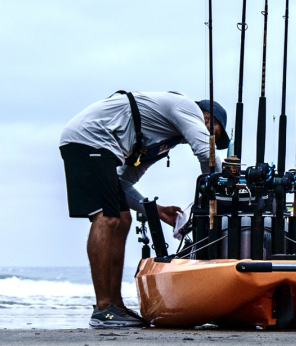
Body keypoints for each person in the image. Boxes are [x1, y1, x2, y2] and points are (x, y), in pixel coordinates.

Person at [58, 91, 227, 328]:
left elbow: (123, 183)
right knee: (106, 218)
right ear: (207, 117)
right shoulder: (186, 106)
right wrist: (224, 187)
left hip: (103, 147)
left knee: (123, 218)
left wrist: (156, 211)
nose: (210, 137)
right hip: (90, 138)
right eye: (214, 132)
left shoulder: (161, 141)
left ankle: (115, 305)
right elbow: (205, 154)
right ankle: (103, 308)